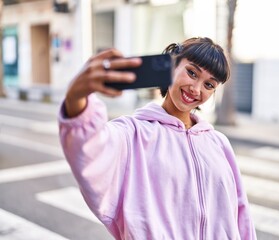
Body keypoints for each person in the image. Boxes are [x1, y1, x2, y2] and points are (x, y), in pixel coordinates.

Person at [59, 37, 257, 240]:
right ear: (172, 65)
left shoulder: (219, 143)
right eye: (191, 73)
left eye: (209, 84)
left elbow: (241, 213)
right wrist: (76, 97)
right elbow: (90, 147)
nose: (196, 89)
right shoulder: (132, 134)